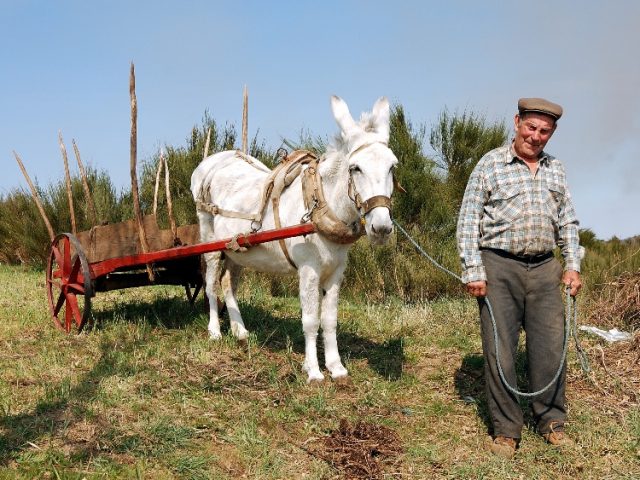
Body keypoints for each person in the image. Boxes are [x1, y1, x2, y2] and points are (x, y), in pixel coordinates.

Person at [456, 97, 583, 458]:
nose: (536, 136)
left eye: (544, 131)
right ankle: (507, 431)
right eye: (531, 127)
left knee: (550, 347)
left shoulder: (556, 168)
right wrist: (473, 270)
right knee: (500, 350)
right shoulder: (490, 164)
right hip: (499, 266)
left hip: (545, 268)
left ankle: (551, 422)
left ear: (552, 133)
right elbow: (468, 221)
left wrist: (572, 264)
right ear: (517, 123)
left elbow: (568, 221)